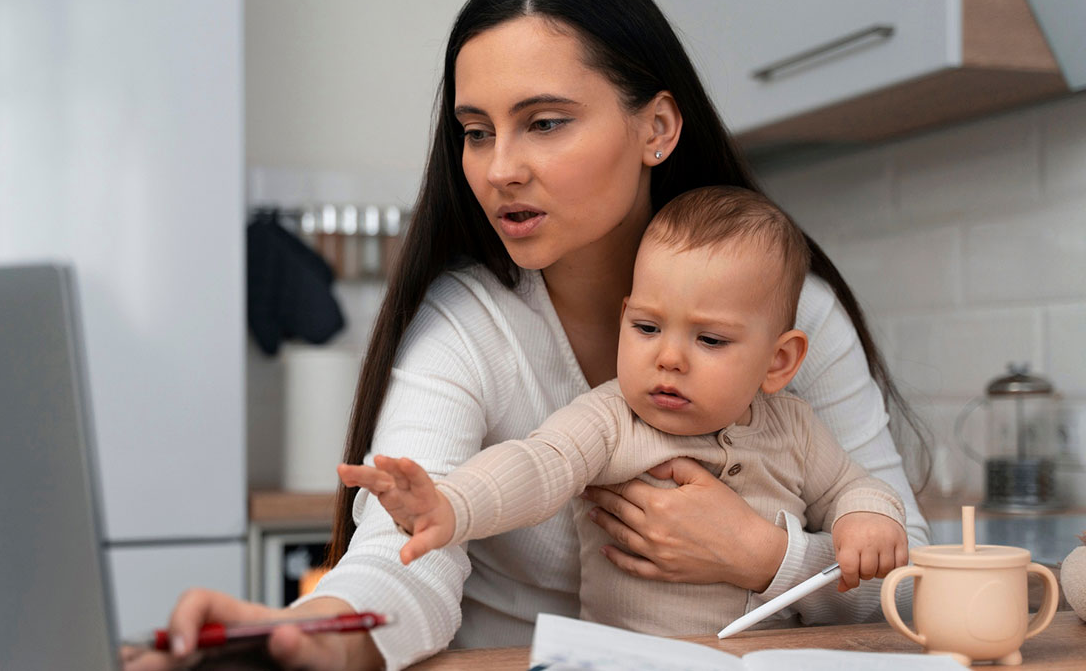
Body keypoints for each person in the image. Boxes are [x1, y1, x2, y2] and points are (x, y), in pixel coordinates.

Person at [126, 0, 930, 670]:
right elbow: (404, 552)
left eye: (543, 122)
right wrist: (304, 635)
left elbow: (916, 578)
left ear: (657, 129)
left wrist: (767, 556)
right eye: (477, 131)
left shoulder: (794, 314)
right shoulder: (467, 325)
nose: (498, 167)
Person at [336, 186, 909, 636]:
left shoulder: (797, 429)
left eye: (710, 340)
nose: (668, 359)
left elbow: (853, 486)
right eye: (646, 328)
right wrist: (451, 504)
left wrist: (867, 519)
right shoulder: (612, 419)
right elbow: (537, 466)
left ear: (779, 362)